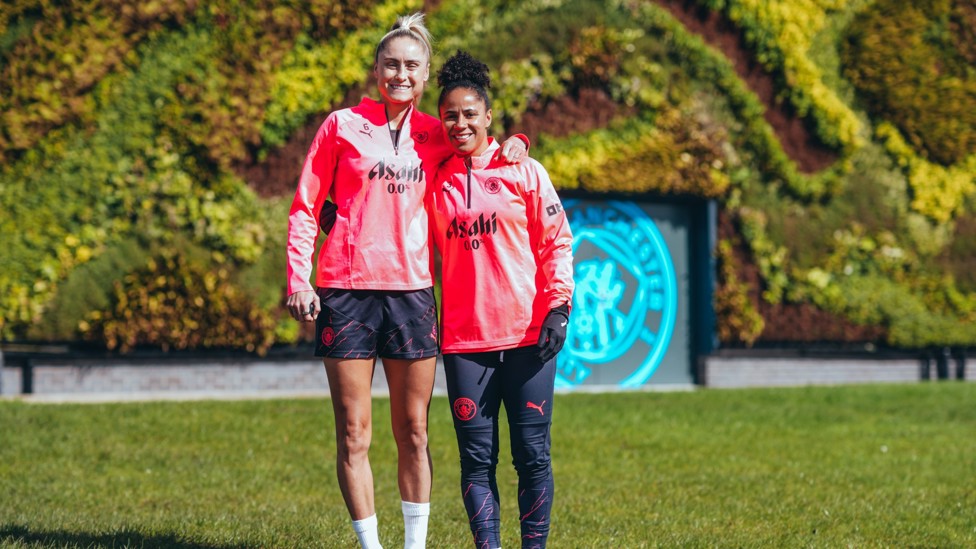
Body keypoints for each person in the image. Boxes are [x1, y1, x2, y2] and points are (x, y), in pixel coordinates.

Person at [285, 14, 529, 549]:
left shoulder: (436, 133)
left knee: (414, 432)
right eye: (391, 64)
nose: (400, 74)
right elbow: (306, 205)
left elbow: (480, 141)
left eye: (411, 66)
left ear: (424, 76)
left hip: (413, 295)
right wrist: (298, 277)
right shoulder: (341, 126)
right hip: (345, 292)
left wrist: (517, 143)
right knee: (354, 433)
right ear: (377, 70)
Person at [427, 50, 575, 549]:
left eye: (470, 113)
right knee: (476, 460)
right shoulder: (435, 180)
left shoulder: (526, 171)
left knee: (532, 454)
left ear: (488, 117)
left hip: (530, 337)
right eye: (450, 115)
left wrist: (559, 307)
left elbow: (557, 240)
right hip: (465, 343)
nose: (460, 123)